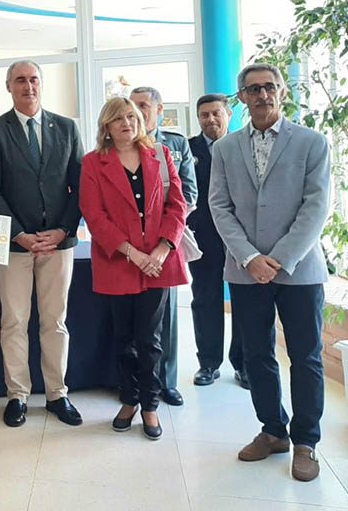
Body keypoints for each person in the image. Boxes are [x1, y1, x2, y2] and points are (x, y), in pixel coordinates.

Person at [209, 63, 330, 482]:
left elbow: (316, 207)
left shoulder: (313, 143)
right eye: (253, 89)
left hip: (300, 271)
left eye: (270, 87)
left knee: (306, 357)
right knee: (257, 355)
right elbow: (219, 207)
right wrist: (249, 258)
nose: (262, 95)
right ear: (241, 97)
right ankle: (273, 430)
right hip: (246, 271)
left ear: (281, 92)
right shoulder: (224, 149)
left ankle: (307, 443)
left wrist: (279, 258)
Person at [0, 60, 84, 428]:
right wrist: (18, 232)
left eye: (34, 79)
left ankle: (57, 394)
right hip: (13, 244)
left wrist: (63, 229)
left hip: (58, 243)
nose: (28, 86)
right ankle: (17, 396)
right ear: (8, 87)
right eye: (20, 80)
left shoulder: (67, 128)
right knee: (14, 322)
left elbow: (79, 185)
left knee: (55, 322)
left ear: (42, 84)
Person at [79, 97, 188, 440]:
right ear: (106, 127)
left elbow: (178, 204)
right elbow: (94, 216)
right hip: (119, 262)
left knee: (151, 340)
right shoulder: (94, 163)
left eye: (132, 116)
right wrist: (133, 254)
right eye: (118, 119)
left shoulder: (160, 154)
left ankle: (150, 405)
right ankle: (128, 400)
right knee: (124, 339)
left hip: (158, 262)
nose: (127, 123)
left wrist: (161, 248)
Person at [129, 86, 198, 407]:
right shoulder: (117, 145)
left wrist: (165, 234)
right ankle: (134, 382)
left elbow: (189, 195)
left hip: (166, 243)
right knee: (132, 321)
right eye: (132, 106)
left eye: (144, 105)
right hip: (130, 247)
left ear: (159, 110)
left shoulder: (175, 144)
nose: (137, 112)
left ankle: (166, 382)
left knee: (165, 318)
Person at [187, 93, 248, 389]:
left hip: (243, 237)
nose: (210, 119)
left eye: (215, 113)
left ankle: (243, 364)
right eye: (204, 115)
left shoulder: (244, 145)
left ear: (228, 115)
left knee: (244, 300)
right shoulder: (188, 149)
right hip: (204, 237)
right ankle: (208, 364)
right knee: (205, 300)